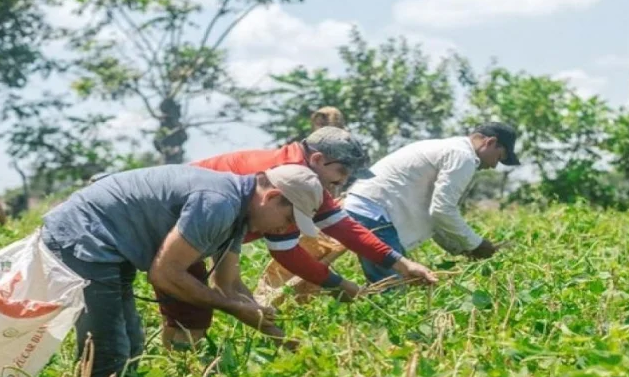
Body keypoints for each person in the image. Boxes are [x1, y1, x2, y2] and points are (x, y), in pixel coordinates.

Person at [40, 163, 324, 377]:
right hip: (83, 235)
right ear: (272, 196)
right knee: (109, 346)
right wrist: (232, 307)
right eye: (288, 219)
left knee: (132, 342)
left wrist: (283, 340)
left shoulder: (238, 213)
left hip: (111, 245)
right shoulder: (219, 203)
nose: (285, 229)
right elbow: (165, 275)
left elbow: (229, 284)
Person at [158, 125, 438, 350]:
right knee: (191, 311)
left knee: (218, 293)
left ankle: (179, 364)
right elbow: (286, 251)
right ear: (316, 159)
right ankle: (174, 375)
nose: (342, 183)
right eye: (341, 172)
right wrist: (339, 284)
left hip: (207, 229)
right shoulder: (291, 186)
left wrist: (403, 265)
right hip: (179, 221)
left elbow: (344, 228)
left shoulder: (304, 179)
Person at [342, 122, 521, 284]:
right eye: (499, 157)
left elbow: (436, 217)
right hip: (374, 212)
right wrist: (477, 244)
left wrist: (464, 249)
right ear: (490, 142)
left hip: (369, 209)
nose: (495, 165)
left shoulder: (451, 149)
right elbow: (442, 211)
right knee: (390, 289)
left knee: (396, 283)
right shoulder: (463, 156)